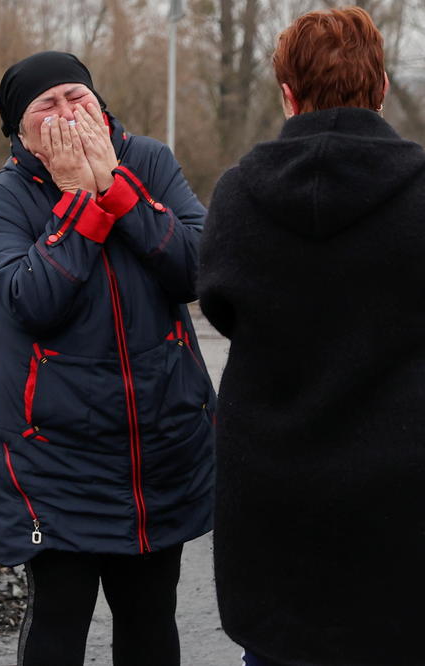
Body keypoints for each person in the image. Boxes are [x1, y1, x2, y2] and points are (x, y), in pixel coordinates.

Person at [198, 7, 425, 665]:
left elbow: (219, 303)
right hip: (404, 499)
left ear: (288, 94)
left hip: (274, 493)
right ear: (380, 87)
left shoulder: (239, 194)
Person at [0, 51, 215, 666]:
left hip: (155, 445)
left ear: (101, 104)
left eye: (77, 97)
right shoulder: (6, 195)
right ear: (21, 131)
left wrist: (116, 190)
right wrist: (79, 203)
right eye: (47, 106)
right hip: (54, 456)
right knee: (58, 622)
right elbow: (30, 299)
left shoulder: (152, 163)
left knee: (149, 618)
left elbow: (198, 268)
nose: (68, 112)